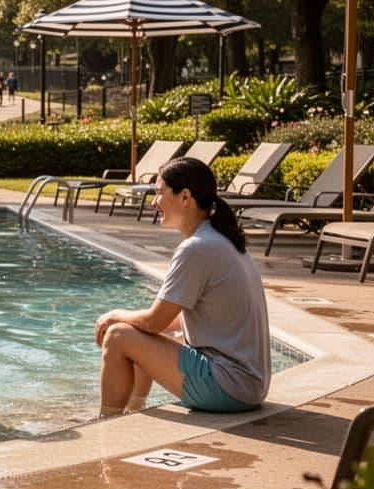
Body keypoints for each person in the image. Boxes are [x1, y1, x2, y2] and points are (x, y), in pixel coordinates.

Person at [94, 157, 270, 417]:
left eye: (159, 193)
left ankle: (106, 421)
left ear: (185, 196)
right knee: (137, 331)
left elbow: (154, 321)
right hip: (249, 384)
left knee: (119, 335)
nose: (154, 202)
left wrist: (114, 315)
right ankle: (132, 411)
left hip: (229, 387)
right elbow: (168, 322)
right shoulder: (219, 238)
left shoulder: (197, 248)